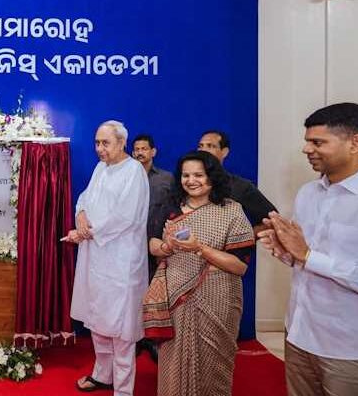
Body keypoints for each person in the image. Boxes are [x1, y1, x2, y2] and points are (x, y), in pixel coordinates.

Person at [258, 102, 358, 396]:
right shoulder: (309, 193)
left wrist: (309, 256)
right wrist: (289, 254)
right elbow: (307, 259)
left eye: (318, 142)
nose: (307, 150)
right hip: (298, 337)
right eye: (307, 141)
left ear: (356, 143)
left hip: (353, 350)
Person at [142, 150, 254, 396]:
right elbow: (152, 243)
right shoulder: (170, 207)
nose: (191, 181)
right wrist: (166, 246)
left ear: (212, 177)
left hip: (218, 298)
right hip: (176, 297)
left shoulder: (231, 211)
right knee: (172, 361)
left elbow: (240, 265)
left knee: (214, 361)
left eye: (198, 175)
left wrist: (199, 248)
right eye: (185, 175)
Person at [63, 120, 148, 396]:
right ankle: (102, 375)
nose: (100, 149)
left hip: (121, 261)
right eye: (97, 143)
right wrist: (80, 216)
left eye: (105, 143)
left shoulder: (134, 172)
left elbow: (125, 217)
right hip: (95, 257)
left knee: (121, 329)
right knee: (97, 319)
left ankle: (123, 389)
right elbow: (85, 198)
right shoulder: (102, 168)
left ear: (122, 143)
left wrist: (86, 233)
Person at [132, 133, 173, 362]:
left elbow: (176, 209)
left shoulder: (167, 179)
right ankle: (136, 339)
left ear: (153, 152)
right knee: (134, 295)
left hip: (157, 247)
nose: (139, 152)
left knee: (155, 295)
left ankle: (153, 340)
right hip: (129, 248)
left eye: (144, 148)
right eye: (136, 149)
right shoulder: (125, 177)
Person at [198, 130, 276, 230]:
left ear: (224, 152)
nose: (203, 150)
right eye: (200, 146)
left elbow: (272, 220)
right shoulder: (188, 184)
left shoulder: (240, 186)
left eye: (210, 146)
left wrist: (245, 239)